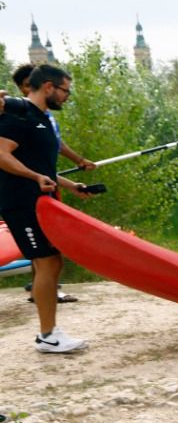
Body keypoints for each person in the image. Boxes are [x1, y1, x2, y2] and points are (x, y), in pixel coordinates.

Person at [0, 66, 96, 352]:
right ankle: (47, 335)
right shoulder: (19, 116)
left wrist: (69, 186)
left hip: (40, 200)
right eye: (66, 90)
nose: (67, 96)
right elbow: (1, 155)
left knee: (53, 261)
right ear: (49, 87)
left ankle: (50, 332)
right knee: (46, 261)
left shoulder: (42, 118)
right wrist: (34, 178)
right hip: (21, 202)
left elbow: (41, 168)